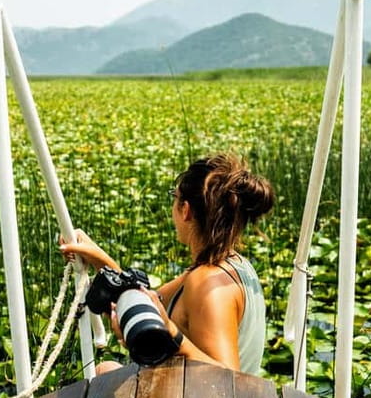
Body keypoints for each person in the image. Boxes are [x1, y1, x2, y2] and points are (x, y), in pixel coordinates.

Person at [59, 153, 274, 375]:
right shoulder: (229, 264)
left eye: (175, 196)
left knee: (105, 371)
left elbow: (229, 379)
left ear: (185, 209)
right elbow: (146, 298)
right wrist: (97, 256)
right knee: (106, 369)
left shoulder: (206, 284)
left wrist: (173, 336)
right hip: (200, 397)